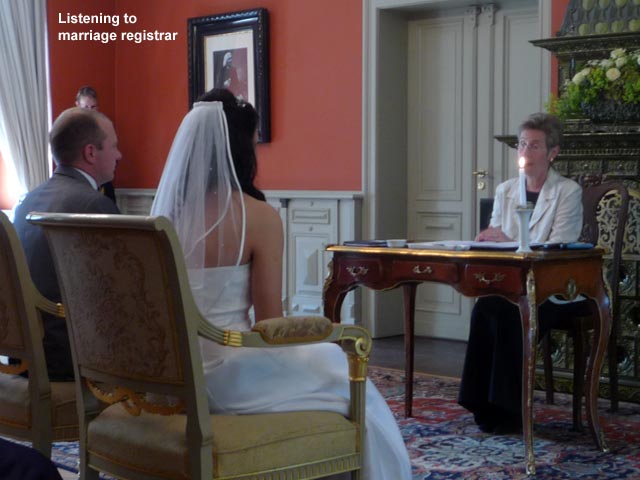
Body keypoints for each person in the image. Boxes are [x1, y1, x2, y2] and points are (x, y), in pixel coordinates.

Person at [150, 88, 412, 480]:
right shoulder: (258, 217)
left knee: (323, 364)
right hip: (228, 375)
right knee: (343, 375)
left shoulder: (165, 217)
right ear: (243, 150)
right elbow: (270, 321)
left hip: (170, 376)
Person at [458, 112, 588, 434]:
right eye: (521, 144)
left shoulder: (567, 191)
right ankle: (481, 403)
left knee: (509, 313)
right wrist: (488, 239)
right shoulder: (506, 190)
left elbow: (559, 246)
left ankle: (510, 410)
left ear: (552, 152)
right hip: (513, 285)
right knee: (486, 307)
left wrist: (510, 239)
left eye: (534, 145)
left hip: (555, 289)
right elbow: (497, 238)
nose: (525, 151)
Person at [13, 108, 121, 380]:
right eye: (114, 146)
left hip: (24, 356)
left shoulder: (27, 202)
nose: (119, 155)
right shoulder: (94, 206)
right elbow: (120, 293)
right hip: (69, 359)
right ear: (90, 153)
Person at [74, 85, 116, 203]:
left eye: (93, 107)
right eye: (86, 107)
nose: (90, 111)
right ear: (77, 106)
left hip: (103, 185)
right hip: (80, 186)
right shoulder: (71, 130)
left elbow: (113, 156)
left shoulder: (105, 128)